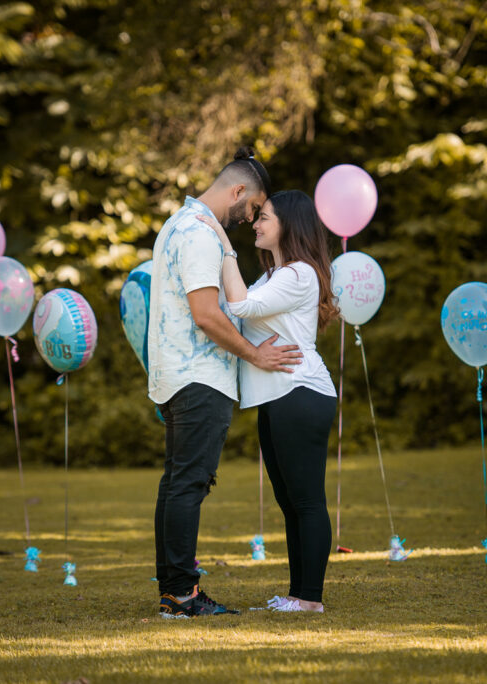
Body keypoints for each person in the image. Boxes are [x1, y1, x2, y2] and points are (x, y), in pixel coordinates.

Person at [149, 147, 303, 619]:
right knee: (188, 484)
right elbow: (206, 313)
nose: (250, 218)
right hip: (199, 377)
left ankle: (175, 590)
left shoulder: (180, 224)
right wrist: (255, 353)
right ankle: (181, 595)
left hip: (178, 374)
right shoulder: (198, 234)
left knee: (177, 483)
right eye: (253, 208)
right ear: (237, 192)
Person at [198, 189, 339, 613]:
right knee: (289, 500)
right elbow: (231, 304)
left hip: (300, 392)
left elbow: (239, 304)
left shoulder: (299, 275)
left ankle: (310, 598)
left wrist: (223, 247)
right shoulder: (274, 276)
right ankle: (298, 594)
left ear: (289, 225)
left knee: (307, 499)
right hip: (277, 397)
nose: (256, 224)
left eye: (266, 218)